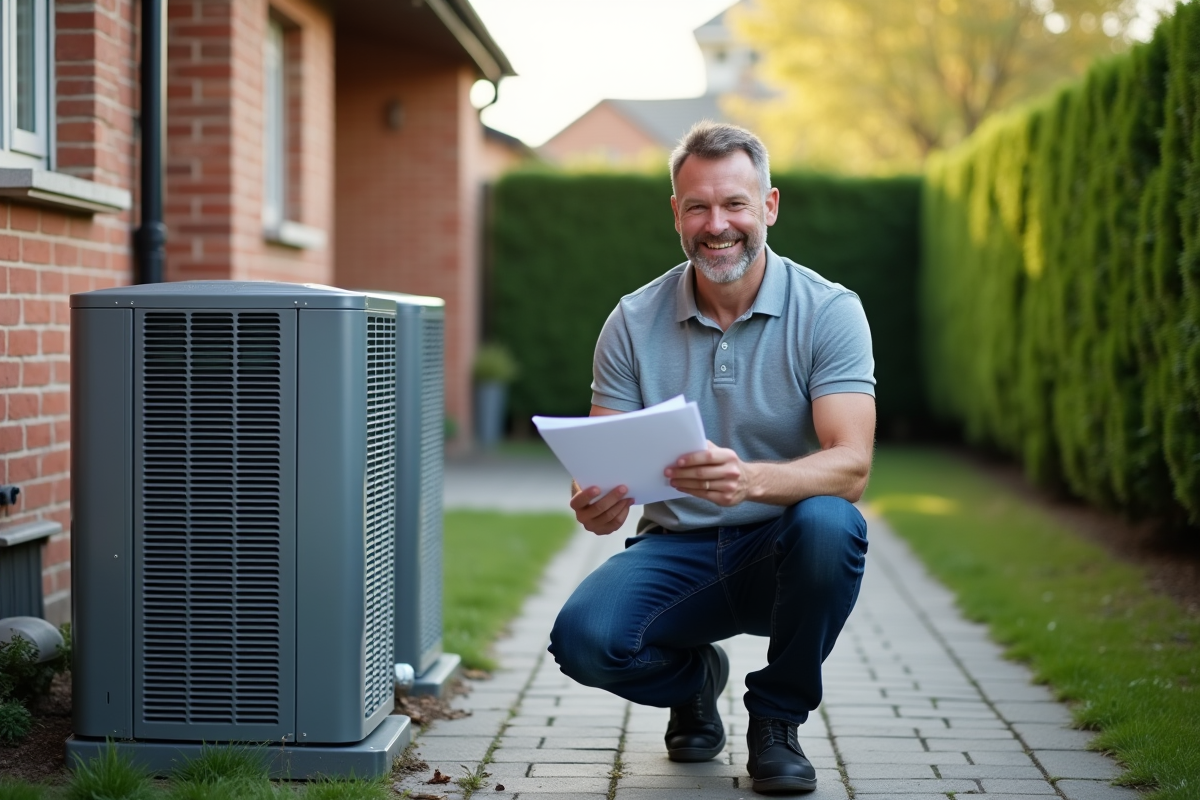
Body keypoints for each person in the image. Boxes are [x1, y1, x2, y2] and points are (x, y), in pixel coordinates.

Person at [546, 122, 876, 795]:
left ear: (770, 207)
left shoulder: (830, 312)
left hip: (781, 550)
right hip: (677, 552)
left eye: (735, 204)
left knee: (832, 523)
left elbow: (851, 466)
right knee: (582, 641)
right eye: (697, 206)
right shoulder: (632, 321)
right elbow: (600, 457)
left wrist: (750, 479)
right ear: (676, 214)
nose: (716, 224)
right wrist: (596, 501)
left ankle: (776, 721)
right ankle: (699, 682)